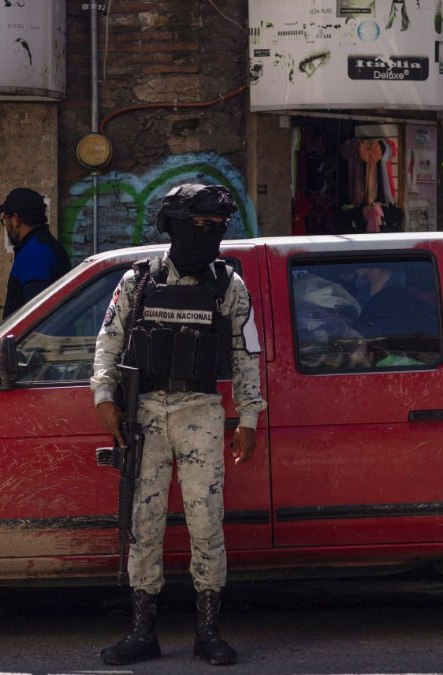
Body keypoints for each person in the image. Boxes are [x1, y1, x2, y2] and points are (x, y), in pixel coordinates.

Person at [91, 184, 266, 666]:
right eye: (197, 227)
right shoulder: (138, 282)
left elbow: (247, 356)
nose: (207, 236)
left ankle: (207, 633)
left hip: (200, 414)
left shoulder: (229, 286)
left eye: (216, 229)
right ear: (173, 227)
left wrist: (248, 418)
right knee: (143, 526)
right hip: (143, 414)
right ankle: (142, 633)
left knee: (206, 524)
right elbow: (108, 343)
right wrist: (104, 397)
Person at [0, 187, 71, 319]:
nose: (6, 226)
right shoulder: (42, 245)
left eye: (5, 220)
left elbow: (37, 316)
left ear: (15, 219)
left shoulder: (35, 253)